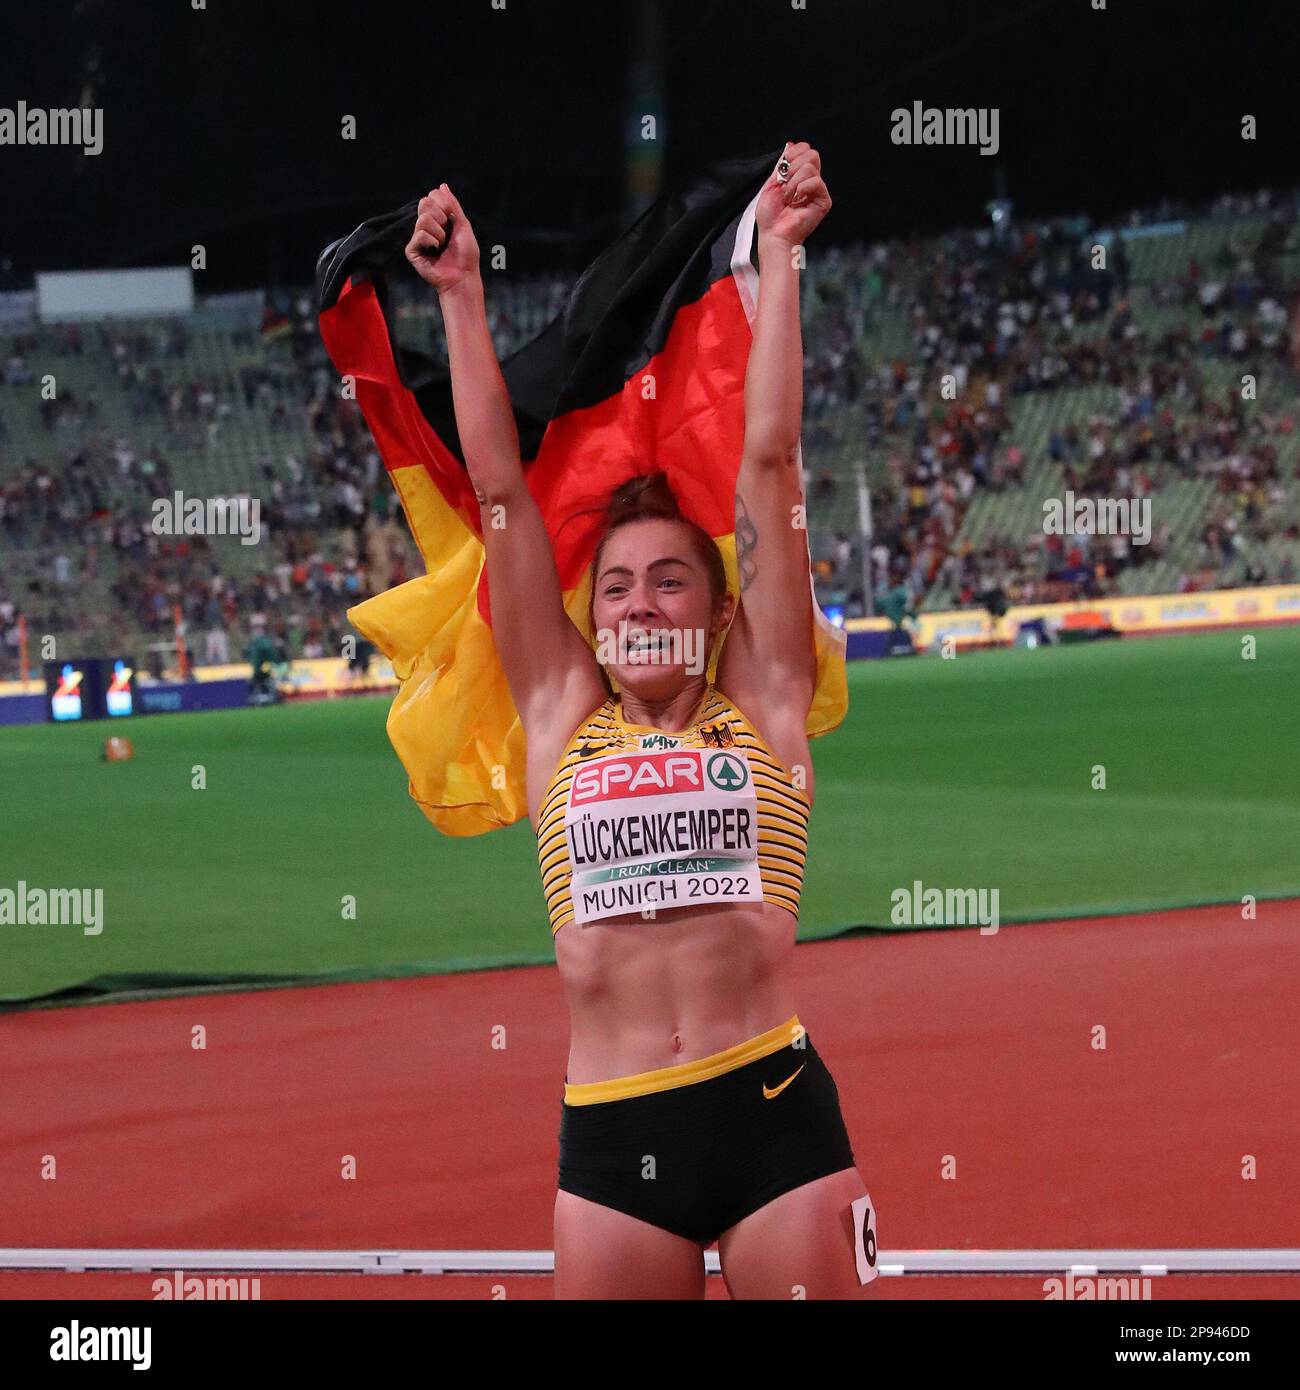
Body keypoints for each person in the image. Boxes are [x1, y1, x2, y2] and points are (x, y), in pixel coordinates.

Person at [404, 142, 875, 1300]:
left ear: (718, 606)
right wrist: (462, 298)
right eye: (614, 585)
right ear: (591, 615)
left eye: (669, 579)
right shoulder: (561, 711)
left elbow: (765, 465)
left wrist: (779, 255)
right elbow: (505, 496)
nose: (639, 602)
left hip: (773, 1115)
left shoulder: (763, 699)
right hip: (614, 1138)